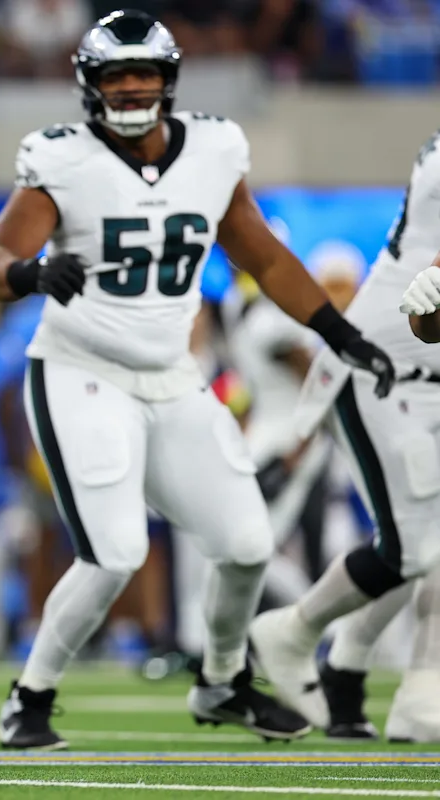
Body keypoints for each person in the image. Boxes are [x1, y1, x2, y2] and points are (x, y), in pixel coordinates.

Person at [0, 9, 393, 750]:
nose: (131, 88)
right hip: (82, 370)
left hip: (172, 377)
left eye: (144, 74)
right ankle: (28, 698)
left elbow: (263, 256)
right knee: (115, 553)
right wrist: (31, 274)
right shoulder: (62, 157)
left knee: (247, 543)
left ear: (168, 81)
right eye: (117, 76)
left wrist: (338, 331)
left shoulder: (213, 148)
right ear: (90, 85)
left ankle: (222, 680)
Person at [253, 127, 440, 741]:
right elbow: (427, 318)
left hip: (425, 367)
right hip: (385, 366)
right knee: (415, 546)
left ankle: (365, 674)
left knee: (423, 540)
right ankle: (296, 631)